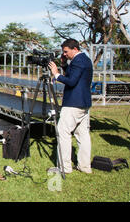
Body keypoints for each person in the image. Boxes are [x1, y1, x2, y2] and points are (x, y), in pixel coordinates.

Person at [48, 38, 93, 174]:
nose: (65, 54)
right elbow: (74, 75)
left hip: (73, 103)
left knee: (63, 133)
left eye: (66, 52)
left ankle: (64, 167)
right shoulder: (84, 59)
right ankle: (85, 166)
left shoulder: (78, 60)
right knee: (82, 134)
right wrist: (64, 65)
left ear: (75, 49)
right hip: (83, 103)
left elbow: (71, 81)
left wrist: (56, 74)